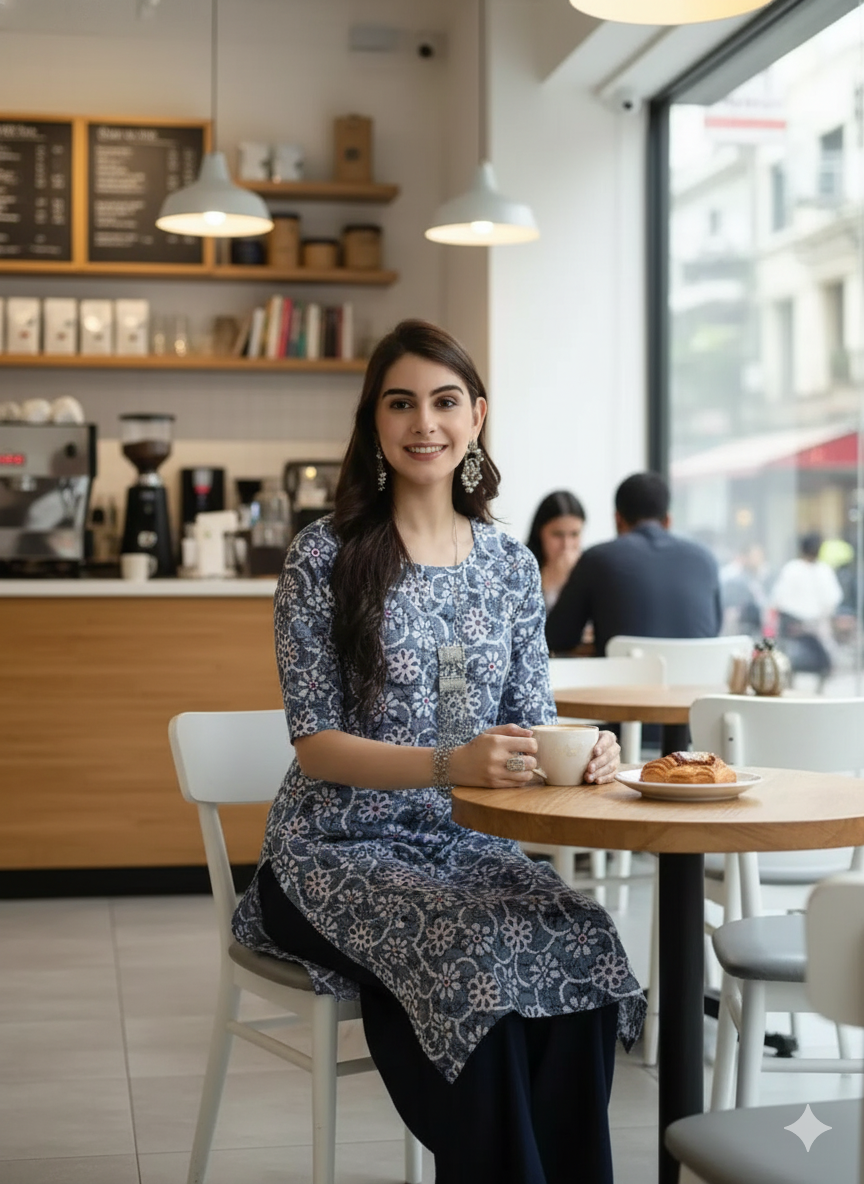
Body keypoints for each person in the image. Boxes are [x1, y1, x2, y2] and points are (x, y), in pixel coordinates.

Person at [232, 319, 645, 1184]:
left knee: (581, 935)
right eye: (401, 403)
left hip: (465, 849)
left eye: (445, 402)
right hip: (330, 852)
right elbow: (316, 745)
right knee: (473, 952)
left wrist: (584, 753)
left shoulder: (509, 565)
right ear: (374, 422)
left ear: (477, 417)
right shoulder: (323, 556)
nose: (425, 423)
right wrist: (446, 765)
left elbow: (529, 722)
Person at [545, 471, 722, 656]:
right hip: (698, 675)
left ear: (617, 519)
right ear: (668, 521)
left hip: (623, 674)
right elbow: (712, 632)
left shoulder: (596, 558)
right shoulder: (706, 560)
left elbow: (555, 639)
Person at [771, 531, 843, 686]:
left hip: (796, 627)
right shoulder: (823, 570)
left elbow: (778, 599)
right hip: (810, 628)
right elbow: (833, 600)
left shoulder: (792, 568)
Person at [526, 489, 587, 612]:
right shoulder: (521, 570)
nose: (566, 545)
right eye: (558, 534)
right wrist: (549, 585)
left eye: (574, 534)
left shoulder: (590, 570)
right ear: (540, 532)